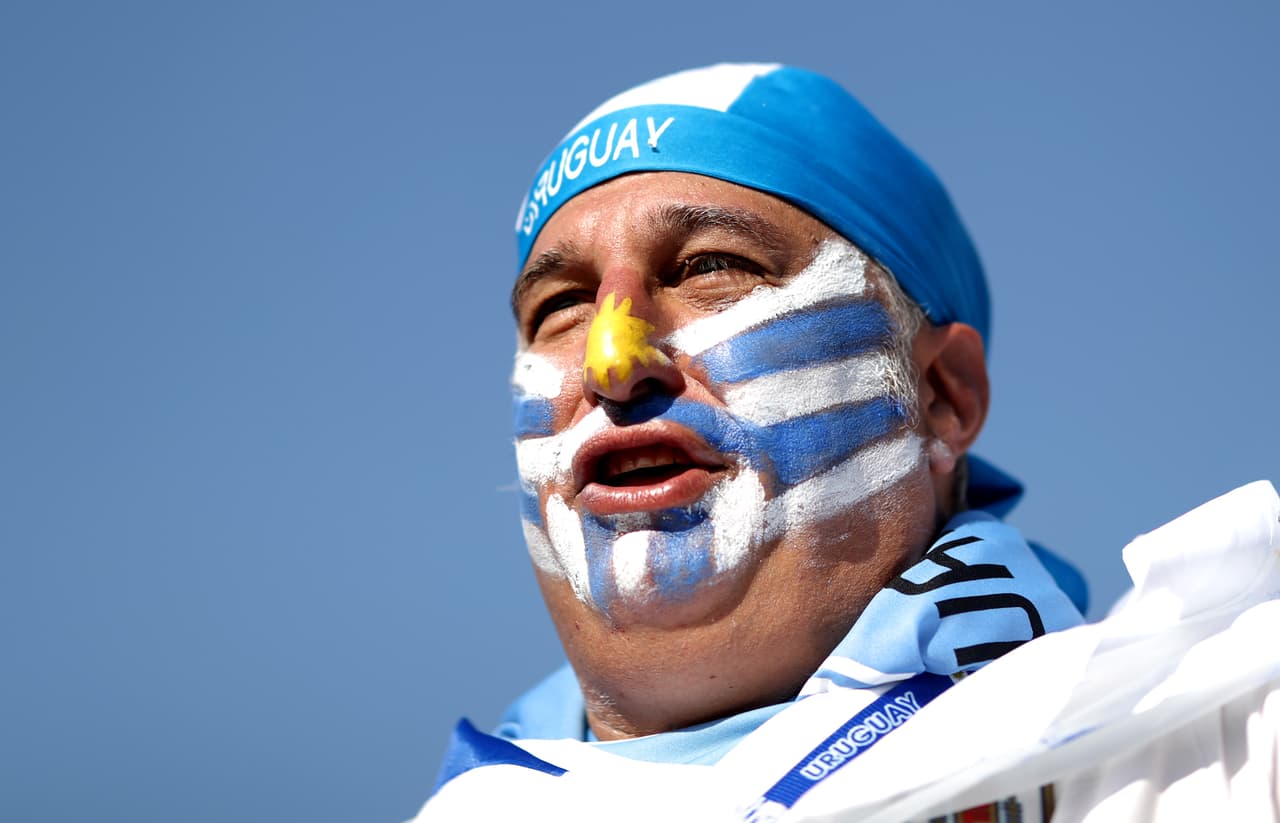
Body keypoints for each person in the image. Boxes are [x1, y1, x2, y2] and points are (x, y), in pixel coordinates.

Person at [413, 64, 1280, 822]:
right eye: (561, 305)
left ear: (941, 396)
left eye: (711, 265)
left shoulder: (1219, 751)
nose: (614, 360)